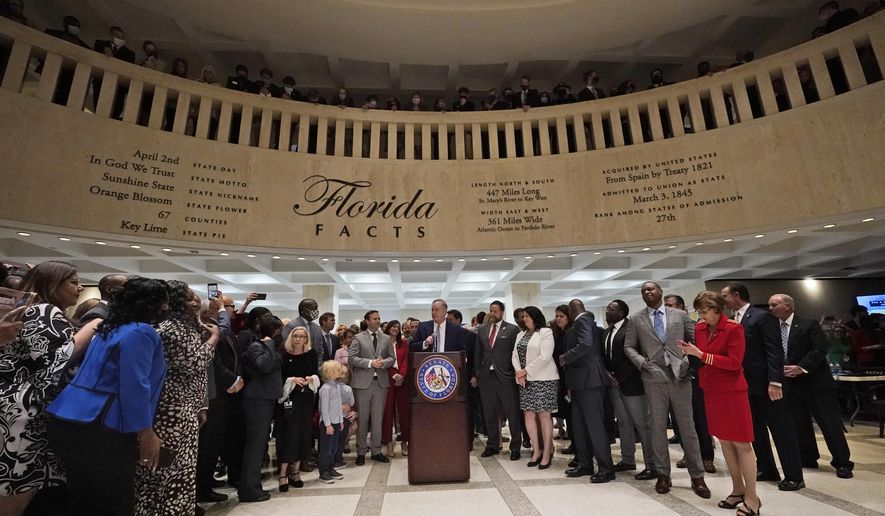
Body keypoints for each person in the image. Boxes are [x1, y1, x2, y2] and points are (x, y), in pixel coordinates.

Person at [47, 277, 168, 516]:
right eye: (163, 303)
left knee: (83, 499)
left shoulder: (109, 327)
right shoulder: (141, 332)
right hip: (103, 425)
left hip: (68, 417)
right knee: (114, 502)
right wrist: (146, 432)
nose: (166, 309)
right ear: (152, 304)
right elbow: (134, 385)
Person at [0, 261, 81, 515]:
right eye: (72, 282)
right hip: (25, 415)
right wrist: (92, 328)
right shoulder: (43, 311)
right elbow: (55, 362)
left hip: (17, 409)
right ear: (53, 283)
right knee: (18, 491)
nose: (78, 288)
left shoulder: (29, 310)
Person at [135, 281, 219, 515]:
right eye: (189, 298)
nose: (196, 301)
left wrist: (201, 404)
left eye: (195, 297)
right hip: (170, 411)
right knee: (167, 474)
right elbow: (194, 363)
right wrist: (213, 340)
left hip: (185, 408)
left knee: (183, 472)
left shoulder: (186, 327)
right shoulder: (172, 329)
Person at [624, 282, 710, 498]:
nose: (647, 292)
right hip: (653, 377)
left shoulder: (679, 315)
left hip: (680, 377)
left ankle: (697, 476)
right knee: (657, 428)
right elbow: (629, 347)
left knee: (687, 428)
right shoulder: (636, 318)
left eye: (651, 289)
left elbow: (696, 342)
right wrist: (642, 363)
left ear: (660, 292)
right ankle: (663, 474)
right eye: (643, 291)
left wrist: (688, 363)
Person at [678, 291, 759, 516]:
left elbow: (734, 363)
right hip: (711, 390)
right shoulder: (701, 329)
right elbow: (701, 355)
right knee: (725, 442)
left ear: (717, 309)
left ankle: (752, 497)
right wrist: (690, 352)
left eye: (704, 311)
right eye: (699, 312)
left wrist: (700, 355)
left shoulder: (734, 329)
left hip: (733, 392)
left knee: (742, 444)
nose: (701, 316)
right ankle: (737, 489)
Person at [722, 284, 805, 491]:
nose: (723, 300)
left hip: (767, 385)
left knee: (781, 430)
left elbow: (774, 351)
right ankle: (767, 468)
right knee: (756, 431)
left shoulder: (761, 316)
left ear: (737, 295)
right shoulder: (733, 320)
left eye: (725, 296)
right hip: (746, 387)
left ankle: (794, 475)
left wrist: (775, 382)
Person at [768, 294, 853, 479]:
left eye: (774, 305)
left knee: (829, 424)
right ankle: (807, 457)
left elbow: (820, 348)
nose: (771, 308)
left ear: (788, 306)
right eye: (769, 305)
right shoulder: (773, 328)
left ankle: (842, 463)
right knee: (799, 423)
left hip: (816, 384)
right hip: (792, 385)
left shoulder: (808, 324)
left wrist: (802, 367)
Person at [559, 299, 615, 483]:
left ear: (572, 309)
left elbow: (585, 344)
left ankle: (606, 468)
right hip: (579, 382)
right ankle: (585, 463)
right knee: (580, 425)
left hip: (589, 380)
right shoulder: (583, 322)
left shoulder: (583, 320)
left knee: (594, 426)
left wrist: (566, 357)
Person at [602, 300, 656, 480]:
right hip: (613, 384)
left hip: (632, 383)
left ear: (621, 313)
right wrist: (607, 373)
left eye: (611, 309)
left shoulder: (631, 327)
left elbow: (636, 354)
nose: (607, 311)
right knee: (623, 422)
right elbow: (605, 356)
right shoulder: (607, 331)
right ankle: (627, 459)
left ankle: (652, 465)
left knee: (642, 424)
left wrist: (619, 376)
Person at [664, 294, 716, 473]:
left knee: (700, 418)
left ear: (682, 308)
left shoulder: (695, 326)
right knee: (681, 420)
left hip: (694, 377)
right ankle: (689, 454)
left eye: (671, 305)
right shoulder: (666, 327)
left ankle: (707, 456)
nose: (667, 309)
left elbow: (702, 349)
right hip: (674, 379)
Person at [238, 316, 284, 502]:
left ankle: (253, 485)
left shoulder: (266, 348)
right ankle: (249, 489)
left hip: (266, 398)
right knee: (255, 446)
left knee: (259, 444)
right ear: (272, 332)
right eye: (278, 332)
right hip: (257, 400)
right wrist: (270, 344)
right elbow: (264, 366)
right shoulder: (257, 346)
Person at [474, 300, 523, 459]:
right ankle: (492, 445)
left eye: (495, 311)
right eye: (491, 311)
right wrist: (478, 373)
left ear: (502, 312)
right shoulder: (482, 330)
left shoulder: (512, 329)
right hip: (487, 377)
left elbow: (516, 354)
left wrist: (515, 372)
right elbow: (478, 353)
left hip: (505, 377)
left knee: (512, 413)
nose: (493, 314)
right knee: (490, 412)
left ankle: (515, 447)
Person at [512, 306, 558, 469]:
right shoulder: (520, 334)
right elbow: (514, 355)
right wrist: (519, 372)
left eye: (527, 316)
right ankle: (536, 450)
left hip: (544, 379)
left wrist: (526, 371)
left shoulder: (545, 332)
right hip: (525, 380)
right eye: (523, 316)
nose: (524, 319)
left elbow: (545, 356)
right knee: (528, 415)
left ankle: (547, 452)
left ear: (535, 317)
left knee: (544, 415)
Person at [349, 310, 396, 465]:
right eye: (374, 319)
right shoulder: (358, 338)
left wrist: (384, 363)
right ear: (367, 321)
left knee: (378, 419)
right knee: (363, 419)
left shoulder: (387, 338)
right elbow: (352, 358)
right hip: (363, 384)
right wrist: (370, 363)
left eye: (379, 318)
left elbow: (392, 358)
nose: (377, 321)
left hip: (380, 384)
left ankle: (376, 451)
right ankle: (361, 452)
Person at [276, 326, 318, 492]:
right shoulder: (284, 355)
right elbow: (280, 377)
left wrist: (310, 379)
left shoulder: (311, 354)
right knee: (289, 435)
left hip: (306, 399)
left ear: (306, 339)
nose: (298, 339)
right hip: (290, 400)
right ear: (291, 338)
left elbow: (316, 374)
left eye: (302, 336)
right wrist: (292, 380)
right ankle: (282, 474)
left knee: (303, 433)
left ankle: (295, 472)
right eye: (296, 336)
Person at [382, 320, 409, 457]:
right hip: (387, 381)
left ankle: (405, 441)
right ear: (388, 328)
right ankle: (388, 443)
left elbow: (406, 360)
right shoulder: (382, 343)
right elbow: (382, 361)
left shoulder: (403, 343)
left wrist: (402, 375)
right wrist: (393, 375)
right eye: (393, 327)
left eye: (398, 327)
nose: (396, 329)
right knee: (388, 413)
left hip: (402, 382)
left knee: (403, 413)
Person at [318, 361, 347, 484]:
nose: (341, 372)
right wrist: (327, 424)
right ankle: (323, 471)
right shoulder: (325, 389)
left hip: (336, 422)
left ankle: (331, 468)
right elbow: (324, 409)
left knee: (334, 448)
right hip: (327, 424)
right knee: (326, 449)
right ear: (330, 373)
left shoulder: (336, 386)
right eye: (338, 370)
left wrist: (341, 420)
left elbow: (339, 405)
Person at [550, 305, 572, 445]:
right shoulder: (558, 334)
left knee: (572, 412)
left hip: (570, 377)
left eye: (561, 316)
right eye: (556, 316)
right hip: (560, 378)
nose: (558, 319)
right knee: (565, 410)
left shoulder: (571, 333)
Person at [282, 298, 324, 369]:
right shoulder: (291, 326)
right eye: (314, 308)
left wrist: (318, 366)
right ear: (304, 310)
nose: (316, 311)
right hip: (295, 366)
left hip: (313, 368)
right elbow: (286, 346)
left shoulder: (317, 328)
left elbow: (320, 350)